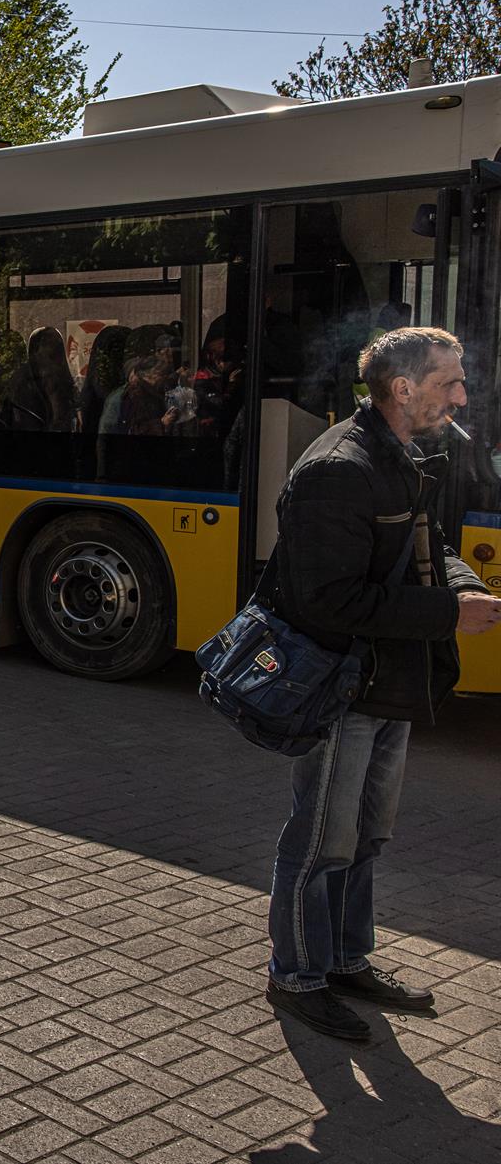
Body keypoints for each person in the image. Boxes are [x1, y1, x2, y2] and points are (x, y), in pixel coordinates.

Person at [263, 326, 501, 1043]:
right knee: (321, 838)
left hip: (389, 680)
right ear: (403, 389)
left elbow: (432, 544)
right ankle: (297, 973)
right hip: (342, 688)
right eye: (450, 381)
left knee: (367, 834)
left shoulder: (403, 453)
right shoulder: (339, 466)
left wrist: (464, 586)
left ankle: (346, 958)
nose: (461, 395)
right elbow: (324, 600)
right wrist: (447, 612)